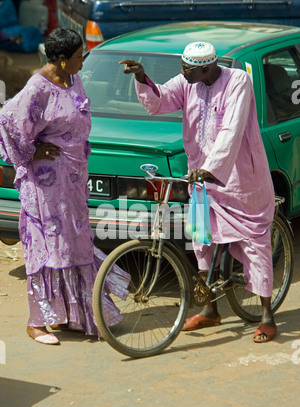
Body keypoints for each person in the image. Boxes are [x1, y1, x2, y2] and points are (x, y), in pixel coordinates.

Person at [120, 41, 277, 343]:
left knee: (254, 242)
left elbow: (232, 129)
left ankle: (267, 314)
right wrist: (142, 77)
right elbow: (160, 101)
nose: (182, 74)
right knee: (201, 238)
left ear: (207, 67)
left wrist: (213, 167)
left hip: (240, 178)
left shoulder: (238, 81)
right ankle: (210, 309)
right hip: (201, 177)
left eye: (188, 69)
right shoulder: (188, 81)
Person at [0, 28, 130, 345]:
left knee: (73, 247)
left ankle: (71, 316)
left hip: (72, 183)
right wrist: (31, 152)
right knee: (45, 250)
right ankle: (37, 322)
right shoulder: (37, 88)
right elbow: (7, 119)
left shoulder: (72, 79)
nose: (82, 61)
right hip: (45, 185)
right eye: (77, 57)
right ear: (60, 61)